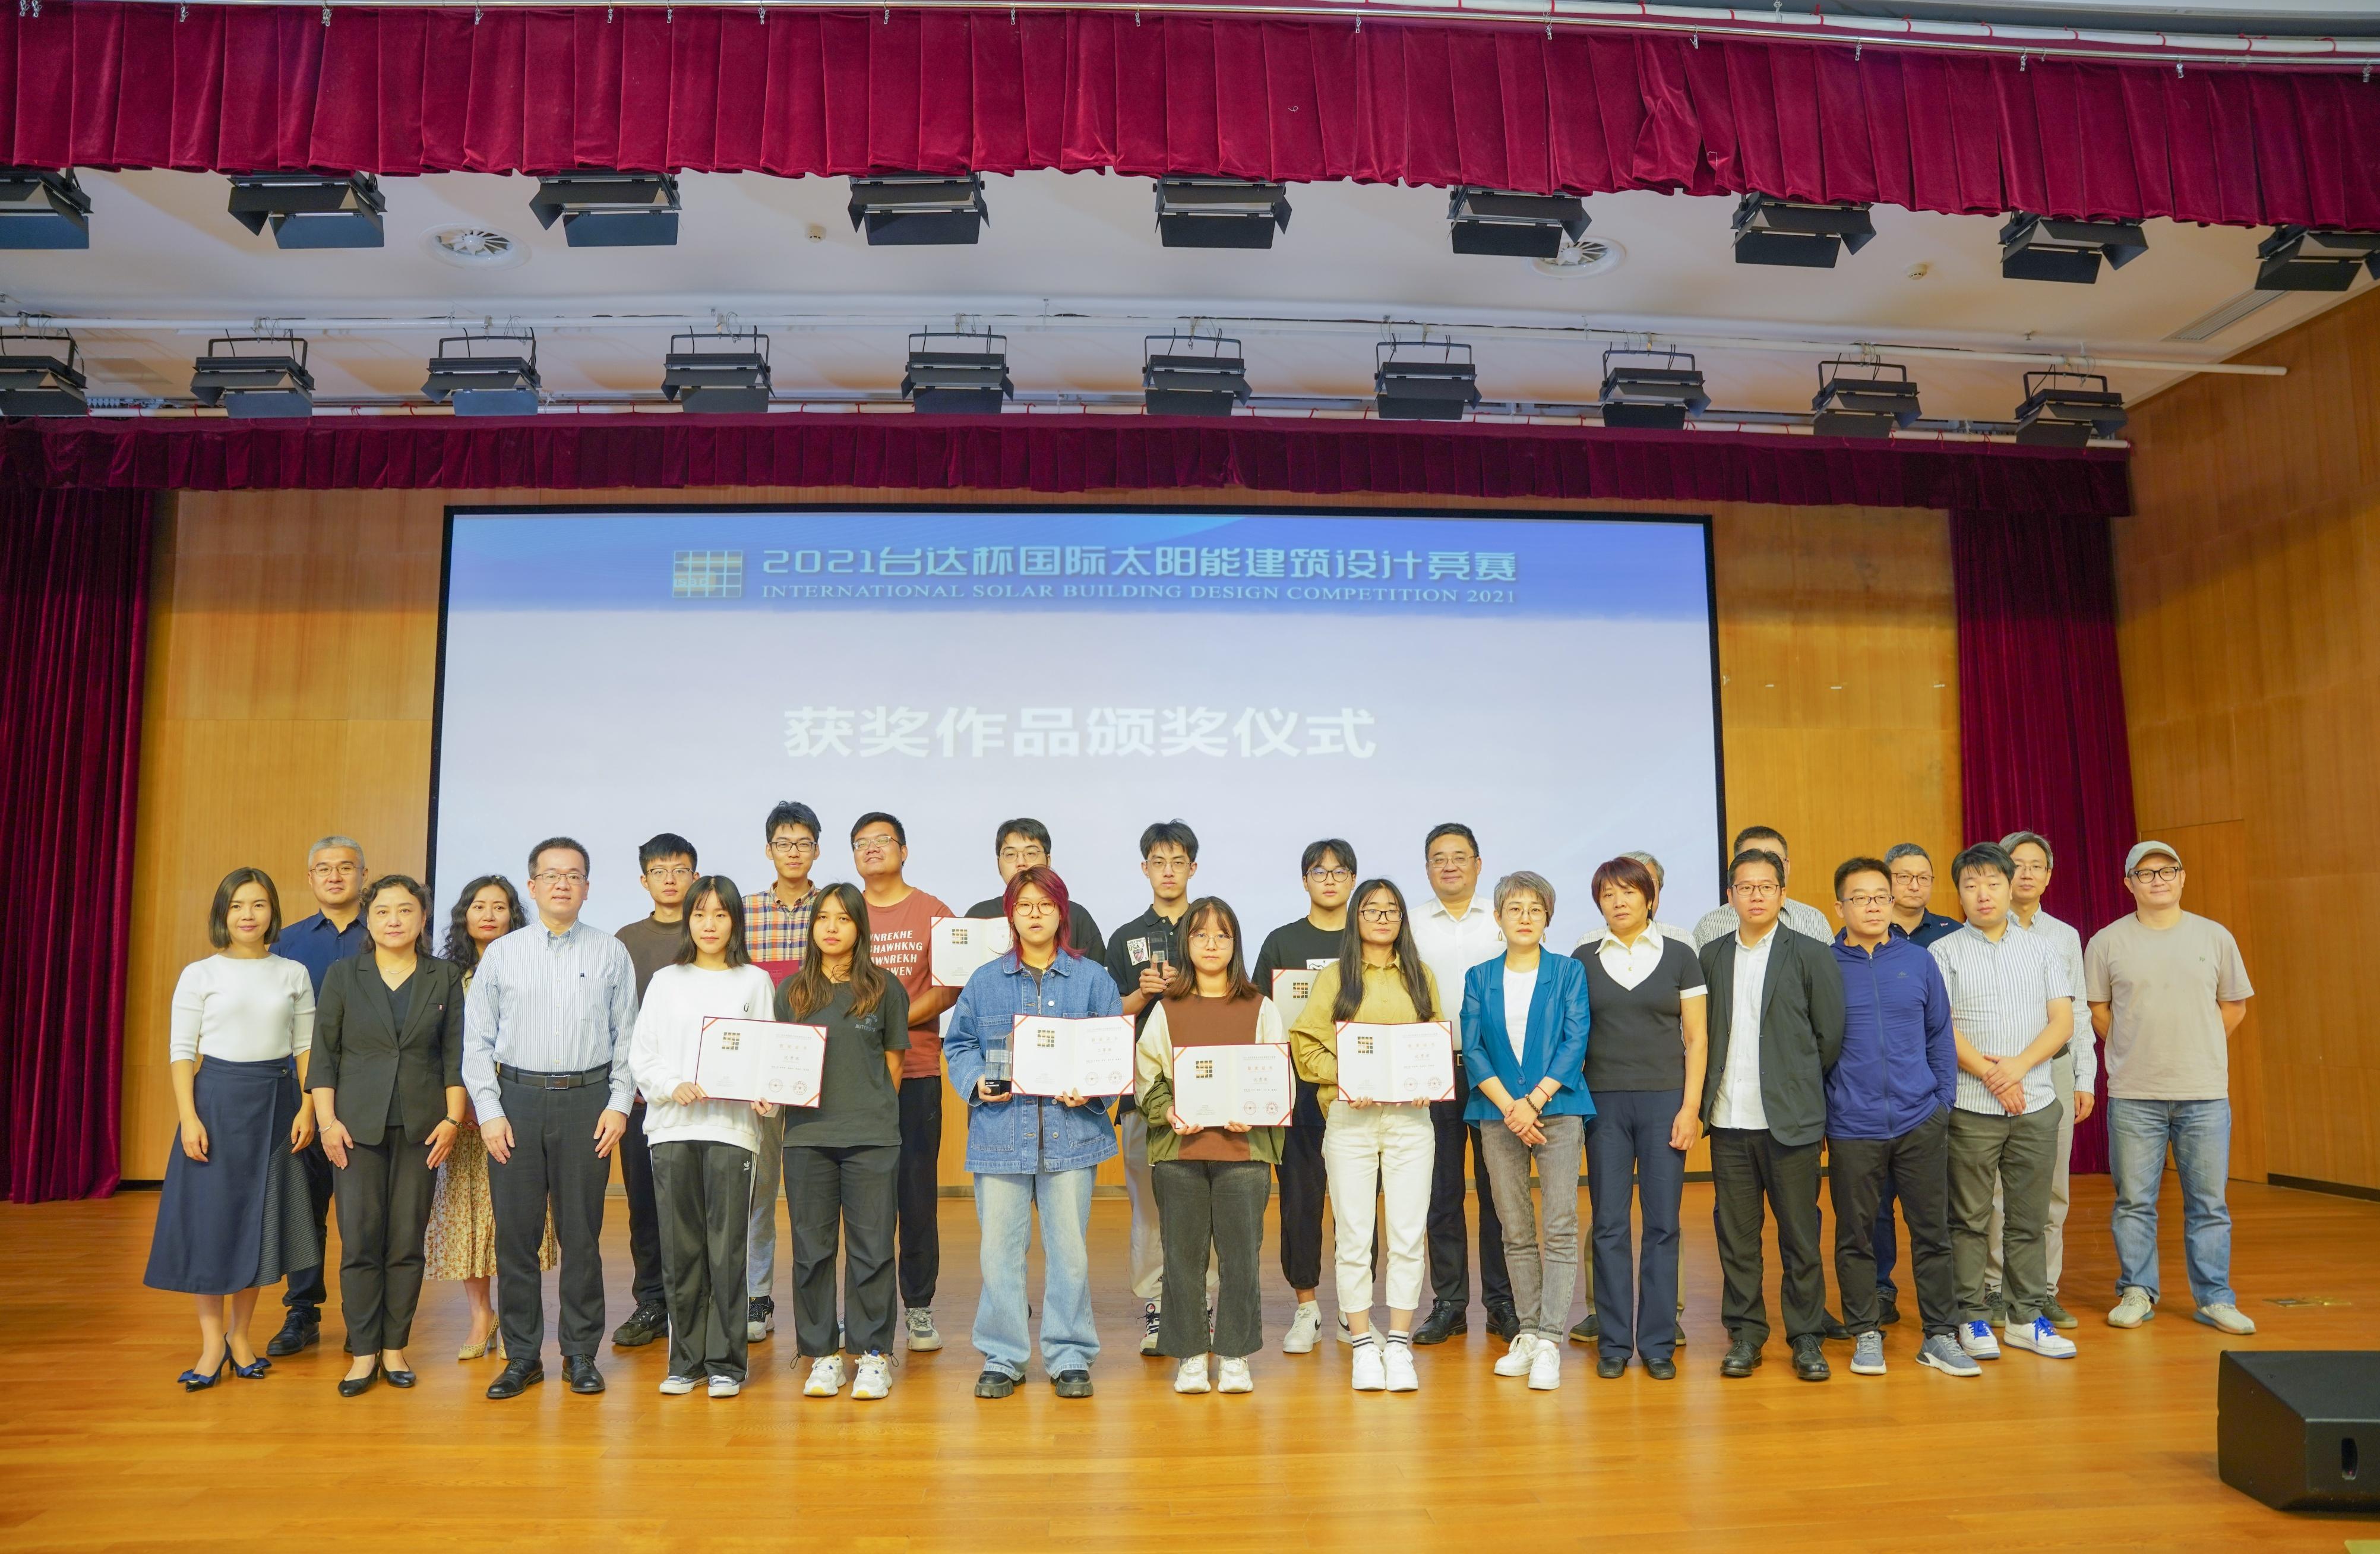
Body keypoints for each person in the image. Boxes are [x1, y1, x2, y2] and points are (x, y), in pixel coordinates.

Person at [462, 837, 639, 1401]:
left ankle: (580, 1353)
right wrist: (490, 1112)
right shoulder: (502, 954)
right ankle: (521, 1357)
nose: (563, 884)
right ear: (532, 886)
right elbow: (476, 1043)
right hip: (515, 1102)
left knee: (581, 1235)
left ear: (587, 887)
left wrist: (618, 1104)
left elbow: (627, 1037)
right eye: (551, 875)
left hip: (588, 1103)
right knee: (515, 1237)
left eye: (574, 875)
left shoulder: (610, 952)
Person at [944, 867, 1123, 1400]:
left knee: (1070, 1254)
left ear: (1061, 912)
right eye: (1024, 905)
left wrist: (1091, 1089)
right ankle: (1003, 1356)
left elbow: (1112, 1052)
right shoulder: (984, 981)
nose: (1035, 914)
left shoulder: (1093, 980)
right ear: (1011, 914)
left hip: (1073, 1136)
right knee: (1000, 1254)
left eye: (1045, 904)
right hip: (1000, 1135)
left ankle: (1069, 1355)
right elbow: (959, 1044)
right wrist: (977, 1080)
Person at [146, 868, 320, 1391]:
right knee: (213, 1225)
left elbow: (306, 1048)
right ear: (223, 913)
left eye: (259, 904)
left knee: (258, 1224)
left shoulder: (292, 973)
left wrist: (308, 1108)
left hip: (277, 1103)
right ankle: (211, 1345)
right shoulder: (200, 974)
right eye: (238, 905)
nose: (248, 914)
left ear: (273, 913)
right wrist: (188, 1117)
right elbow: (182, 1050)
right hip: (215, 1104)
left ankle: (241, 1338)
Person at [2087, 841, 2256, 1335]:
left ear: (2182, 877)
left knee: (2209, 1203)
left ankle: (2215, 1297)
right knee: (2133, 1202)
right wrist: (2137, 1047)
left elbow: (2234, 1005)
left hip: (2203, 1093)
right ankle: (2136, 1291)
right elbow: (2097, 1010)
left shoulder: (2214, 936)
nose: (2157, 880)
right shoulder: (2106, 942)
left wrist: (2196, 1044)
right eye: (2145, 873)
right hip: (2134, 1095)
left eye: (2167, 871)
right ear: (2128, 884)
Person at [309, 874, 466, 1396]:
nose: (393, 920)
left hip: (424, 1127)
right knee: (359, 1240)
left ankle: (395, 1347)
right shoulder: (343, 975)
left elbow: (454, 1055)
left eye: (405, 911)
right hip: (354, 1128)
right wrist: (327, 1122)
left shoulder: (444, 976)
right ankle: (363, 1351)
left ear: (423, 918)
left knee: (405, 1241)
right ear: (368, 919)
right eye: (382, 911)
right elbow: (324, 1055)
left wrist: (451, 1120)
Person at [627, 875, 778, 1398]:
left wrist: (767, 1094)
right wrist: (672, 1084)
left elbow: (768, 1056)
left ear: (735, 921)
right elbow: (642, 1053)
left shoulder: (755, 982)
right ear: (687, 920)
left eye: (720, 914)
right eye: (699, 914)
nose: (709, 925)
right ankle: (686, 1361)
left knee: (727, 1250)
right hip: (672, 1127)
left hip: (733, 1131)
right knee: (681, 1249)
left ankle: (727, 1365)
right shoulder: (666, 981)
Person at [1289, 877, 1442, 1393]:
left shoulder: (1420, 975)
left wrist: (1426, 1081)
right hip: (1350, 1121)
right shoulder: (1335, 978)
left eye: (1391, 910)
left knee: (1407, 1234)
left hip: (1409, 1123)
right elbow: (1305, 1045)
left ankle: (1397, 1344)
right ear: (1356, 918)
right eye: (1371, 910)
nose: (1382, 918)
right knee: (1354, 1235)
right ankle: (1360, 1344)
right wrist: (1348, 1078)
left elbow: (1433, 1042)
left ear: (1402, 919)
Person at [1823, 858, 1973, 1379]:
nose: (1872, 906)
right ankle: (1865, 1332)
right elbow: (1812, 1047)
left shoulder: (1918, 961)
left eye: (1880, 897)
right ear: (1839, 907)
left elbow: (1939, 1035)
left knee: (1932, 1233)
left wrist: (1941, 1103)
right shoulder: (1823, 966)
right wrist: (1829, 1112)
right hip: (1851, 1126)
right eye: (1859, 898)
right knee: (1856, 1236)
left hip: (1919, 1120)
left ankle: (1939, 1335)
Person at [1701, 845, 1846, 1382]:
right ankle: (1745, 1334)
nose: (1756, 896)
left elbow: (1829, 1036)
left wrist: (1794, 1086)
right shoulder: (1711, 955)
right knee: (1737, 1238)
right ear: (1730, 896)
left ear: (1782, 894)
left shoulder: (1809, 953)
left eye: (1766, 887)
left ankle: (1805, 1336)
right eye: (1746, 887)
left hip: (1790, 1121)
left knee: (1800, 1236)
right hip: (1728, 1119)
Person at [1933, 842, 2077, 1364]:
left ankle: (2024, 1317)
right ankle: (1971, 1316)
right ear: (1959, 893)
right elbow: (1940, 1028)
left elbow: (2062, 1022)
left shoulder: (2041, 949)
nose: (1983, 894)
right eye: (1970, 885)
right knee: (1969, 1220)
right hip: (1971, 1106)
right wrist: (1993, 1075)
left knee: (2028, 1219)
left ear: (2008, 884)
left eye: (1992, 883)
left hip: (2035, 1104)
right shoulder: (1943, 953)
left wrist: (2016, 1067)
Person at [1135, 896, 1285, 1395]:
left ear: (1235, 944)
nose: (1211, 944)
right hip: (1179, 1154)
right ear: (1186, 943)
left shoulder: (1261, 1007)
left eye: (1222, 935)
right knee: (1182, 1259)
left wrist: (1256, 1111)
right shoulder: (1167, 1009)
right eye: (1200, 935)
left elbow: (1277, 1077)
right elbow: (1146, 1077)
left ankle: (1235, 1354)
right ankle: (1191, 1354)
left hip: (1245, 1154)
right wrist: (1167, 1112)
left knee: (1241, 1259)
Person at [1573, 854, 1705, 1380]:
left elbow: (1696, 1039)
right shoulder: (1582, 959)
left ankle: (1656, 1343)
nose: (1618, 901)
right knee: (1608, 1224)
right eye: (1608, 895)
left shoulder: (1680, 956)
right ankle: (1612, 1343)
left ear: (1650, 898)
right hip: (1602, 1104)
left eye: (1628, 891)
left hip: (1664, 1102)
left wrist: (1690, 1109)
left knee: (1662, 1224)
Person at [779, 883, 911, 1403]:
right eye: (822, 918)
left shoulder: (884, 988)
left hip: (872, 1139)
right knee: (811, 1253)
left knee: (872, 1250)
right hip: (806, 1139)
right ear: (812, 927)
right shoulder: (792, 992)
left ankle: (873, 1355)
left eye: (843, 918)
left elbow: (893, 1065)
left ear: (860, 927)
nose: (831, 927)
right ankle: (822, 1356)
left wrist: (868, 1112)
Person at [1461, 871, 1591, 1391]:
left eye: (1535, 909)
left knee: (1558, 1226)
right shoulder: (1478, 977)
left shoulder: (1568, 972)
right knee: (1514, 1231)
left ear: (1547, 918)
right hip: (1496, 1114)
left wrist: (1533, 1101)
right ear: (1497, 917)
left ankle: (1549, 1341)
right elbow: (1472, 1048)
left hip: (1558, 1109)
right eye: (1514, 908)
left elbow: (1575, 1040)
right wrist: (1511, 1107)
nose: (1524, 917)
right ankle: (1529, 1332)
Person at [424, 876, 558, 1359]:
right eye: (478, 906)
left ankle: (519, 1316)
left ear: (513, 915)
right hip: (463, 1113)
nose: (488, 915)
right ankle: (482, 1315)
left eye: (499, 907)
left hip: (520, 1105)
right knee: (469, 1214)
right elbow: (442, 1046)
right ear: (464, 915)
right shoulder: (446, 975)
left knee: (517, 1216)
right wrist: (458, 1105)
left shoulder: (533, 966)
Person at [846, 811, 957, 1356]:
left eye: (883, 840)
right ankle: (862, 1310)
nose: (872, 849)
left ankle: (918, 1306)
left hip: (915, 1071)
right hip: (851, 1076)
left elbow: (949, 986)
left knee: (915, 1196)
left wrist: (890, 1022)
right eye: (861, 843)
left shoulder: (934, 912)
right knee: (861, 1199)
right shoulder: (844, 910)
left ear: (904, 850)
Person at [1406, 822, 1515, 1346]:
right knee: (1441, 1191)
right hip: (1432, 1069)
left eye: (1459, 856)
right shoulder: (1409, 923)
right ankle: (1449, 1302)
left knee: (1499, 1191)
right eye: (1438, 858)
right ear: (1427, 868)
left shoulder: (1502, 918)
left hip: (1496, 1069)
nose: (1448, 865)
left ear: (1478, 864)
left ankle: (1503, 1301)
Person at [1249, 837, 1356, 1354]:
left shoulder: (1369, 938)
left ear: (1352, 880)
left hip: (1356, 1093)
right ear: (1304, 880)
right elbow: (1257, 1015)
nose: (1329, 880)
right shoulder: (1281, 942)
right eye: (1318, 871)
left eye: (1338, 871)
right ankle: (1307, 1308)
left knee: (1358, 1207)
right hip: (1295, 1093)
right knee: (1299, 1205)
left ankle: (1354, 1311)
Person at [262, 835, 367, 1359]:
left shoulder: (387, 934)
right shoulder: (286, 942)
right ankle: (302, 1310)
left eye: (345, 867)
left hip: (369, 1094)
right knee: (304, 1208)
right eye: (324, 868)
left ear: (363, 876)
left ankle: (362, 1315)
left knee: (362, 1213)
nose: (334, 876)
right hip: (300, 1099)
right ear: (310, 879)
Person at [1105, 819, 1202, 1354]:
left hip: (1206, 1088)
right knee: (1147, 1204)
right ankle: (1156, 1306)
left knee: (1202, 1200)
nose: (1168, 872)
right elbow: (1109, 1016)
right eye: (1158, 862)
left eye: (1177, 862)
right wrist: (1142, 995)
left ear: (1193, 868)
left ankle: (1200, 1302)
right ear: (1144, 869)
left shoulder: (1211, 927)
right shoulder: (1125, 938)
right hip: (1142, 1091)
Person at [1996, 829, 2098, 1331]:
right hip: (1993, 1070)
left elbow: (2077, 1012)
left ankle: (2042, 1291)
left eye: (2036, 865)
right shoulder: (1976, 930)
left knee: (2052, 1190)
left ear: (2049, 876)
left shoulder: (2062, 936)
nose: (2026, 873)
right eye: (2016, 863)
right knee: (1994, 1192)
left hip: (2052, 1070)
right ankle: (1994, 1290)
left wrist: (2084, 1077)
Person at [1864, 841, 1964, 1328]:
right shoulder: (1854, 941)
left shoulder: (1950, 936)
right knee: (1875, 1208)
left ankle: (1945, 1310)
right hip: (1869, 1101)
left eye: (1922, 877)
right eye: (1903, 877)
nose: (1913, 885)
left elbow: (1945, 1027)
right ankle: (1880, 1290)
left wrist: (1943, 1099)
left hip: (1926, 1097)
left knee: (1933, 1212)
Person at [608, 832, 700, 1353]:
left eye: (680, 870)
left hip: (705, 1097)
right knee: (644, 1206)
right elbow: (617, 1020)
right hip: (644, 1099)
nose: (670, 879)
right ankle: (651, 1303)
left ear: (695, 876)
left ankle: (699, 1303)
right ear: (644, 881)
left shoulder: (710, 929)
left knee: (698, 1207)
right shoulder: (626, 940)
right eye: (659, 871)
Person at [741, 799, 824, 1346]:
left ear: (817, 849)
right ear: (768, 849)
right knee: (759, 1187)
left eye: (803, 843)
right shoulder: (744, 910)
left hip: (824, 1066)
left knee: (817, 1194)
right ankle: (757, 1295)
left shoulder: (835, 906)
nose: (793, 852)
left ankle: (821, 1305)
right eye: (783, 843)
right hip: (761, 1070)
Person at [967, 817, 1107, 962]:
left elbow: (1098, 972)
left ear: (1048, 860)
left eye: (1031, 853)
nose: (1021, 862)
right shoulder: (979, 915)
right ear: (998, 864)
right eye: (1010, 855)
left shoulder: (1077, 917)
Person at [1692, 825, 1835, 949]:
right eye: (1752, 859)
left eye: (1774, 860)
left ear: (1788, 866)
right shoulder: (1709, 926)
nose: (1763, 867)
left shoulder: (1815, 921)